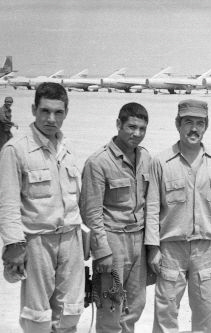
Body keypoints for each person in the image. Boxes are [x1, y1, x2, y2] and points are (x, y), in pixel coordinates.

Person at [145, 99, 211, 333]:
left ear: (206, 126)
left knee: (206, 313)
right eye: (188, 122)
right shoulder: (162, 162)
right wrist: (153, 248)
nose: (194, 129)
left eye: (200, 123)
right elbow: (153, 206)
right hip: (171, 250)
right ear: (177, 124)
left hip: (205, 249)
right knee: (166, 312)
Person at [0, 83, 84, 332]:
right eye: (45, 111)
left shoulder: (68, 149)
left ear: (66, 112)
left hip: (70, 240)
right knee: (37, 317)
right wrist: (14, 245)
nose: (51, 119)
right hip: (37, 242)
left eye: (58, 112)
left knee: (70, 312)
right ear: (34, 109)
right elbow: (7, 203)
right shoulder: (16, 150)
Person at [79, 102, 151, 333]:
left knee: (135, 306)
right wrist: (102, 252)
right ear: (118, 124)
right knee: (110, 306)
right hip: (112, 242)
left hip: (138, 241)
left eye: (142, 129)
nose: (136, 134)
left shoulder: (146, 158)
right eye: (131, 127)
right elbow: (91, 212)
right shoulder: (98, 162)